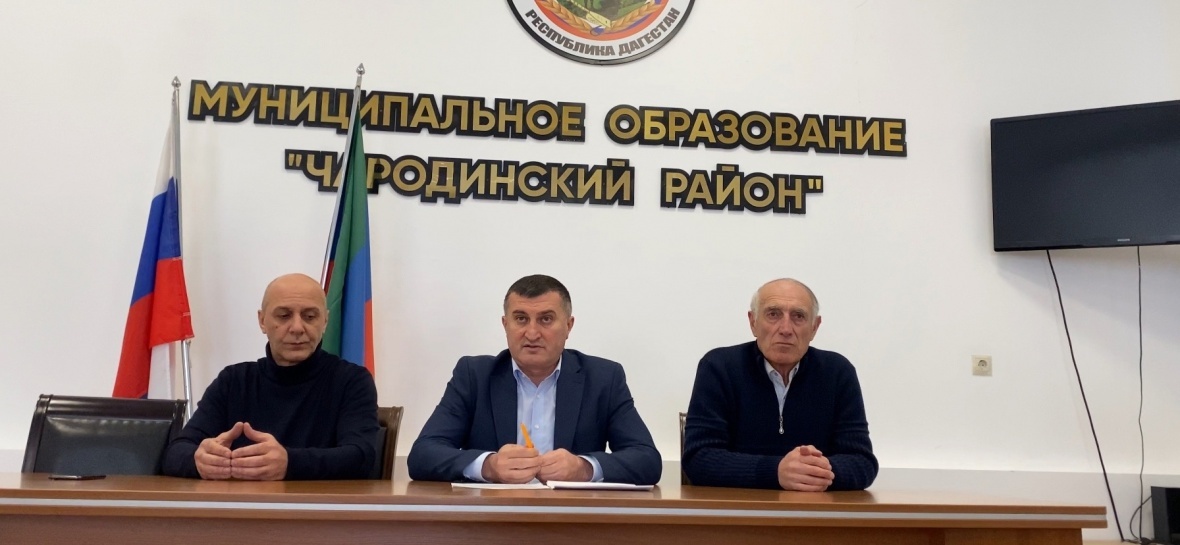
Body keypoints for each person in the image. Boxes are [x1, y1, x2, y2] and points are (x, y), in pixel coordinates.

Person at [408, 274, 661, 485]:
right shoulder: (474, 375)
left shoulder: (603, 378)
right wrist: (489, 466)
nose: (531, 333)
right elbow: (423, 454)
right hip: (492, 517)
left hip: (571, 517)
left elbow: (647, 460)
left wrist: (584, 468)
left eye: (546, 319)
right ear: (505, 325)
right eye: (521, 319)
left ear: (569, 326)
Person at [161, 273, 379, 480]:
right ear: (262, 321)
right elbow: (175, 452)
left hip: (318, 505)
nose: (297, 327)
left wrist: (290, 463)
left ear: (325, 321)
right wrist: (199, 460)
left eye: (310, 316)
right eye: (284, 316)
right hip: (242, 504)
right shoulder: (234, 381)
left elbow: (362, 456)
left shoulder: (352, 380)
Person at [682, 278, 877, 491]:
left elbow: (862, 462)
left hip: (815, 507)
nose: (785, 328)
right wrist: (775, 471)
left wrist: (815, 472)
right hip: (740, 508)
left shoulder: (838, 372)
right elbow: (698, 458)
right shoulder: (719, 367)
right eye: (773, 314)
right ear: (753, 322)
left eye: (798, 316)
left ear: (814, 327)